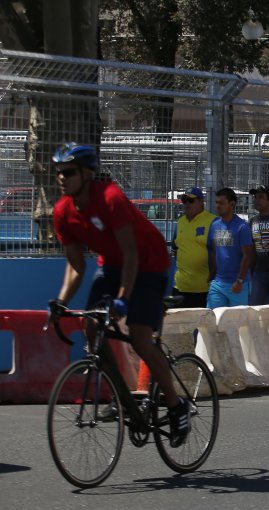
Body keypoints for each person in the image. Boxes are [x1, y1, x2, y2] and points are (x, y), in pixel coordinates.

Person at [49, 143, 190, 447]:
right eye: (58, 172)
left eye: (69, 172)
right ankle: (123, 397)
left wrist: (124, 297)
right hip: (111, 267)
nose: (62, 178)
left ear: (88, 173)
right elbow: (75, 265)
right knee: (90, 327)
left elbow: (131, 254)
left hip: (148, 266)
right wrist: (61, 302)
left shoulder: (111, 198)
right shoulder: (62, 211)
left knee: (140, 338)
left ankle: (177, 406)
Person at [207, 188, 254, 308]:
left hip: (237, 284)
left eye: (221, 203)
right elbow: (214, 252)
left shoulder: (242, 227)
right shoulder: (214, 224)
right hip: (218, 283)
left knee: (236, 324)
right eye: (216, 202)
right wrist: (212, 276)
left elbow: (247, 256)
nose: (217, 206)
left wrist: (239, 281)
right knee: (213, 319)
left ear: (232, 204)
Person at [171, 187, 216, 308]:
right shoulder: (180, 222)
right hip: (179, 287)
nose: (187, 204)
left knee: (201, 326)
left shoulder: (213, 221)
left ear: (201, 202)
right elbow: (175, 249)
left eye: (191, 201)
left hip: (203, 289)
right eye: (185, 201)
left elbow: (218, 253)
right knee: (177, 324)